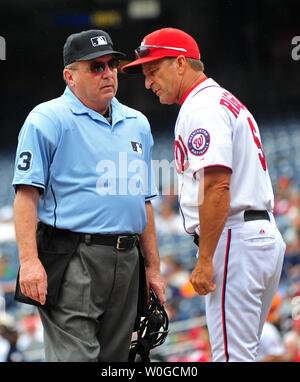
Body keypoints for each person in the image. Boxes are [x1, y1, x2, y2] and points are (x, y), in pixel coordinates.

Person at [122, 27, 286, 362]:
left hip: (234, 239)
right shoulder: (221, 99)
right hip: (257, 236)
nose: (148, 82)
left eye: (153, 71)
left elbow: (217, 185)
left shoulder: (202, 106)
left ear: (180, 63)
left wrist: (206, 259)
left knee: (231, 357)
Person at [12, 29, 166, 362]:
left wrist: (153, 267)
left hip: (128, 259)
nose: (108, 72)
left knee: (118, 362)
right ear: (70, 76)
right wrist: (28, 262)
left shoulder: (137, 123)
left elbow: (144, 201)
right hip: (73, 255)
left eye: (112, 64)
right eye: (96, 66)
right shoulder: (46, 119)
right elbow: (25, 196)